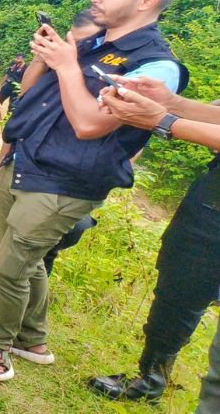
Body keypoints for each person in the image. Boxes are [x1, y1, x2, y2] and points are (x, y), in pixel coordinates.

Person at [0, 0, 188, 382]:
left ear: (148, 1)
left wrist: (69, 65)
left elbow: (90, 124)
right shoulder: (93, 43)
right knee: (23, 257)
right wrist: (52, 56)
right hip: (25, 161)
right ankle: (34, 338)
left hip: (66, 181)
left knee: (9, 265)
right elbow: (33, 91)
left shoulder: (156, 66)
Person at [89, 76, 220, 402]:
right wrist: (172, 103)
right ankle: (151, 379)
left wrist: (164, 120)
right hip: (211, 201)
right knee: (178, 289)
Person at [0, 10, 104, 303]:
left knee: (42, 243)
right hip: (23, 161)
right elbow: (26, 102)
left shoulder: (104, 75)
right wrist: (43, 58)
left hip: (63, 176)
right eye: (74, 41)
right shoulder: (57, 64)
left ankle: (28, 299)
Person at [0, 53, 26, 118]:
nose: (17, 59)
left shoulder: (25, 67)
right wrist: (0, 85)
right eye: (16, 57)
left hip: (16, 87)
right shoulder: (13, 64)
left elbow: (26, 79)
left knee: (11, 105)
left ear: (23, 59)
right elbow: (7, 75)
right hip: (8, 85)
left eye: (19, 58)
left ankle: (7, 119)